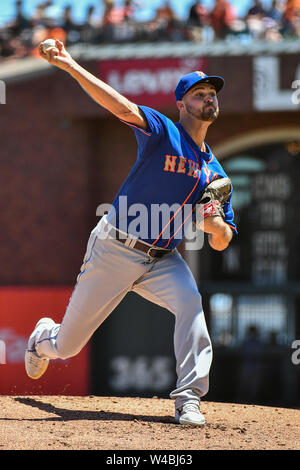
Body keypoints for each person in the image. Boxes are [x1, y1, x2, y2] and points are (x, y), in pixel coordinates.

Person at [25, 39, 237, 426]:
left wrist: (214, 222)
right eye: (199, 93)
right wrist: (70, 64)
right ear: (182, 104)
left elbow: (222, 240)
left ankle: (188, 398)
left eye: (211, 94)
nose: (208, 98)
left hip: (163, 260)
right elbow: (118, 105)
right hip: (115, 248)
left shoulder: (217, 175)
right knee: (67, 345)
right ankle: (42, 337)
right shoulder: (163, 131)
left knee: (191, 306)